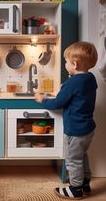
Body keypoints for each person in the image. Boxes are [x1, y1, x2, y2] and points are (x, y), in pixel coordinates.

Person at [35, 41, 98, 200]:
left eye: (66, 62)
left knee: (73, 160)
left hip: (75, 130)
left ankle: (75, 189)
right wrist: (68, 85)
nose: (65, 64)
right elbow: (79, 92)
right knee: (82, 156)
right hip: (88, 129)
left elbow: (57, 103)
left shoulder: (72, 82)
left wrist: (42, 99)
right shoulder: (90, 78)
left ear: (74, 64)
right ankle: (85, 184)